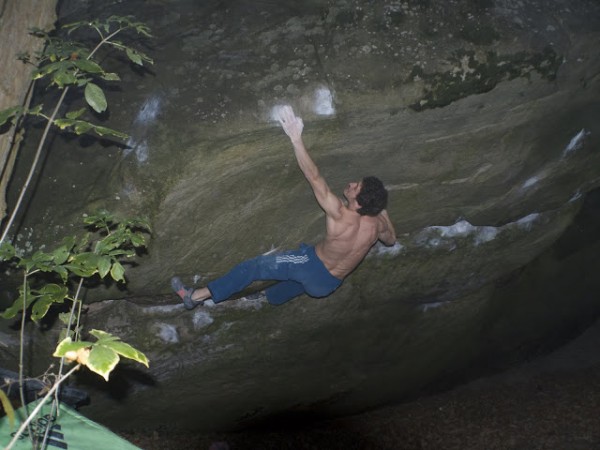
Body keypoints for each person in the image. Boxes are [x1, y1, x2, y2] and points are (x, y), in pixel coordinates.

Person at [171, 105, 396, 309]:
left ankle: (195, 297)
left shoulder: (340, 214)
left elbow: (314, 177)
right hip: (328, 285)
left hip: (311, 267)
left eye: (356, 187)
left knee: (255, 266)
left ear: (359, 202)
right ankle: (265, 296)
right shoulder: (377, 225)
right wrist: (382, 212)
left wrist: (296, 138)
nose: (351, 184)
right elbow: (391, 240)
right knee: (297, 281)